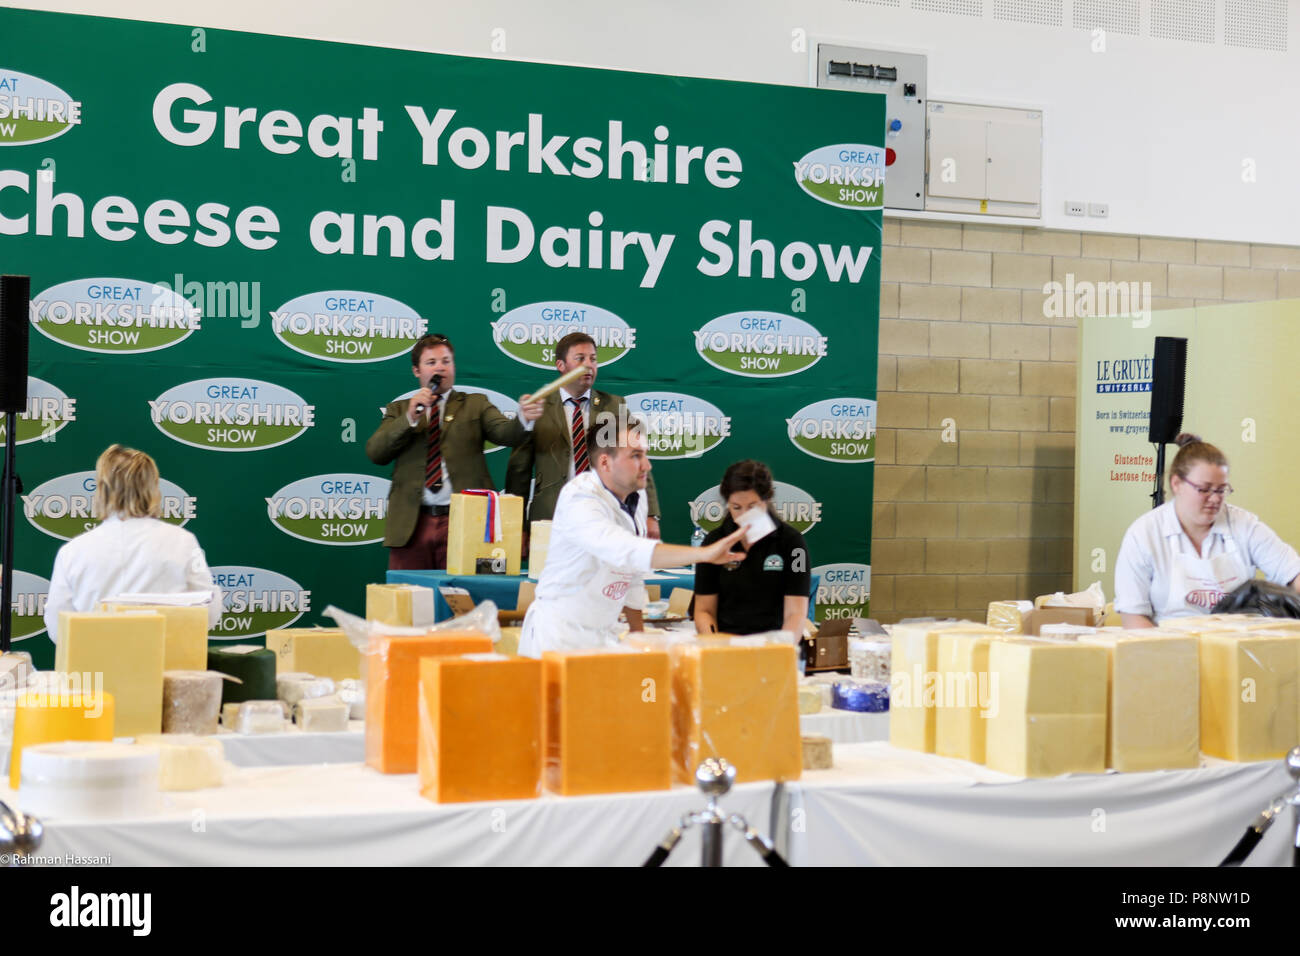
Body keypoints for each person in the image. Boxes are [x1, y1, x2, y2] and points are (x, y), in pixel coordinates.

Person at [518, 414, 745, 658]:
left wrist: (639, 636)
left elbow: (632, 572)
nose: (647, 465)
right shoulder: (579, 498)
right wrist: (705, 553)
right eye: (636, 456)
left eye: (645, 454)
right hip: (558, 639)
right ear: (605, 463)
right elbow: (626, 549)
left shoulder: (637, 495)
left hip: (601, 636)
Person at [366, 333, 543, 570]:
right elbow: (376, 453)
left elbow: (506, 433)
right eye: (431, 363)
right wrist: (410, 417)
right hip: (411, 524)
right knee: (410, 600)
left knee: (465, 599)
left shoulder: (475, 403)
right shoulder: (399, 410)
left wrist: (523, 418)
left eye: (446, 361)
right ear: (417, 371)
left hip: (465, 521)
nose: (440, 367)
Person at [1114, 433, 1300, 626]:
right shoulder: (1144, 534)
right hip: (1168, 646)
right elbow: (1133, 616)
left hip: (1234, 643)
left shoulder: (1244, 525)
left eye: (1221, 490)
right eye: (1204, 489)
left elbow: (1292, 572)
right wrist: (1168, 654)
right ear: (1176, 484)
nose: (1214, 499)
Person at [43, 444, 222, 644]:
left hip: (96, 667)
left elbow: (58, 629)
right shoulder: (183, 541)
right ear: (153, 488)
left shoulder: (72, 552)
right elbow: (207, 613)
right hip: (166, 667)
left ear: (102, 489)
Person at [505, 331, 661, 538]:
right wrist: (517, 526)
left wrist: (650, 515)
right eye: (580, 359)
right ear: (561, 366)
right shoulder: (538, 407)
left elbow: (638, 458)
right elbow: (519, 471)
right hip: (550, 519)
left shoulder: (614, 406)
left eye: (593, 359)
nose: (589, 365)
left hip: (605, 518)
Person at [693, 460, 811, 636]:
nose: (744, 515)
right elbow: (704, 611)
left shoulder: (792, 543)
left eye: (752, 506)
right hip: (727, 645)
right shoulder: (714, 542)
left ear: (766, 500)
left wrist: (781, 651)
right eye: (736, 507)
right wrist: (715, 646)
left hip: (775, 646)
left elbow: (796, 613)